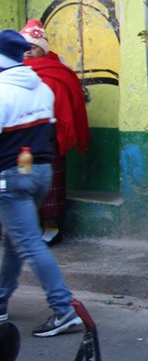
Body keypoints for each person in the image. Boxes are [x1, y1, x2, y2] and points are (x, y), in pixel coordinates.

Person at [0, 29, 83, 338]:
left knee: (29, 242)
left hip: (10, 178)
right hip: (40, 173)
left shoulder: (2, 90)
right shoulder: (42, 87)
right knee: (15, 239)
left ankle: (63, 310)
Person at [19, 20, 89, 242]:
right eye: (24, 47)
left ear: (43, 49)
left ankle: (51, 228)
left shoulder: (56, 73)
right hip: (18, 139)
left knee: (49, 185)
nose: (27, 52)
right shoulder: (14, 72)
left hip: (47, 138)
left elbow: (62, 105)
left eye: (33, 47)